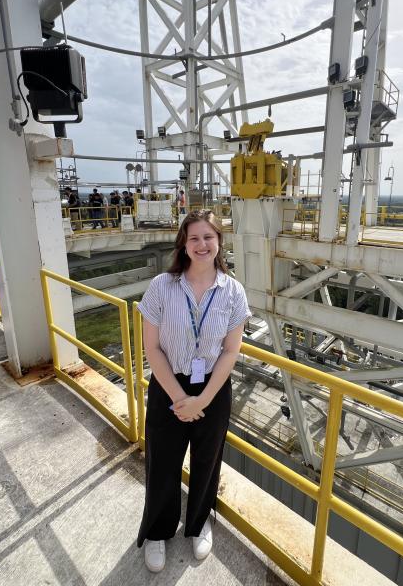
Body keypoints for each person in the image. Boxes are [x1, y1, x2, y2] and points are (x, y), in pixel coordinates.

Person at [136, 209, 251, 573]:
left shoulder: (233, 291)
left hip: (212, 388)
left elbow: (231, 350)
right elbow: (151, 348)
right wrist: (178, 398)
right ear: (184, 245)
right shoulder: (162, 286)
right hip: (169, 384)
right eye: (194, 238)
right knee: (162, 461)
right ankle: (157, 530)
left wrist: (202, 399)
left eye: (209, 237)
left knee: (207, 460)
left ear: (219, 243)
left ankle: (200, 522)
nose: (202, 245)